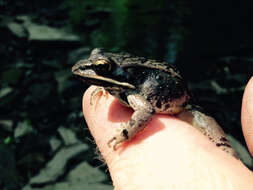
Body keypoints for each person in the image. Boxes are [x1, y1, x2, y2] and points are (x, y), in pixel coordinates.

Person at [83, 78, 253, 190]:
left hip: (186, 108)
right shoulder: (120, 86)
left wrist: (126, 133)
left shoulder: (132, 94)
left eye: (102, 67)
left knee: (225, 152)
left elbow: (146, 110)